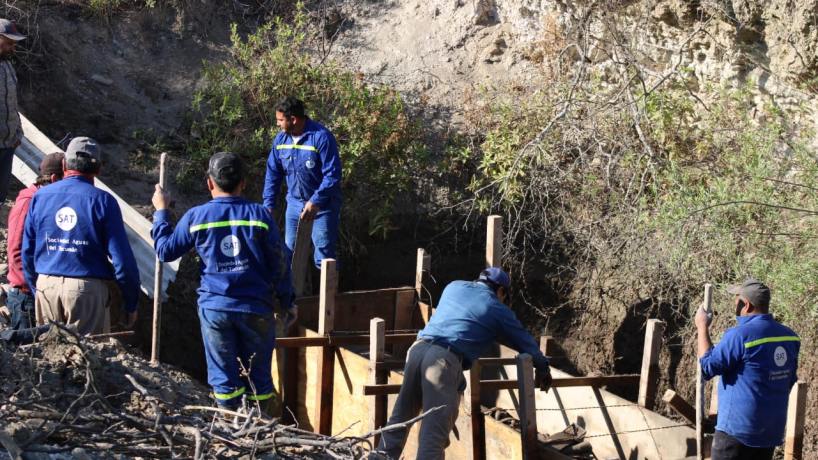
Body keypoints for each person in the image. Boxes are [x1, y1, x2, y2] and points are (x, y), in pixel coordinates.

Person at [152, 152, 296, 413]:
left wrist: (162, 213)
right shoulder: (260, 217)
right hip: (256, 309)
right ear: (243, 182)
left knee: (224, 381)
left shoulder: (197, 217)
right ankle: (262, 430)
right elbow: (280, 264)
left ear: (209, 183)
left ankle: (230, 429)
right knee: (259, 380)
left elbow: (165, 251)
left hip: (216, 309)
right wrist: (287, 302)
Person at [377, 267, 552, 460]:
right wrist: (543, 368)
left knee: (399, 420)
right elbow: (524, 342)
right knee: (432, 437)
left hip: (417, 350)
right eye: (504, 296)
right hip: (442, 362)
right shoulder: (496, 308)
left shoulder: (453, 287)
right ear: (501, 291)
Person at [22, 137, 140, 335]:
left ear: (64, 164)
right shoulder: (103, 201)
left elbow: (27, 251)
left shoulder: (40, 197)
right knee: (88, 359)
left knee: (50, 359)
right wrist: (130, 304)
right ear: (98, 170)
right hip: (85, 291)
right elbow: (123, 262)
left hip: (46, 285)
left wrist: (38, 289)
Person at [696, 278, 800, 460]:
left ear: (747, 305)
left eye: (736, 300)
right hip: (769, 434)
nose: (734, 305)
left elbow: (707, 367)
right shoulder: (790, 337)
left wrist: (702, 326)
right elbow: (788, 381)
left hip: (736, 433)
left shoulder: (739, 336)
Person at [262, 96, 342, 268]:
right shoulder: (281, 141)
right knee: (290, 254)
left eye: (280, 120)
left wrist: (316, 201)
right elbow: (272, 174)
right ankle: (293, 295)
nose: (278, 124)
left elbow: (332, 175)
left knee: (323, 256)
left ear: (294, 119)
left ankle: (328, 294)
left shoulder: (321, 138)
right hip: (294, 205)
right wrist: (268, 205)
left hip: (323, 207)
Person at [5, 152, 64, 330]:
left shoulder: (43, 200)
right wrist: (33, 287)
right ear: (54, 178)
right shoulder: (28, 202)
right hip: (26, 295)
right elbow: (15, 250)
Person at [0, 19, 25, 205]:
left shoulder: (7, 65)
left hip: (8, 143)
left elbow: (12, 102)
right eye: (8, 42)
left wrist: (18, 131)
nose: (13, 47)